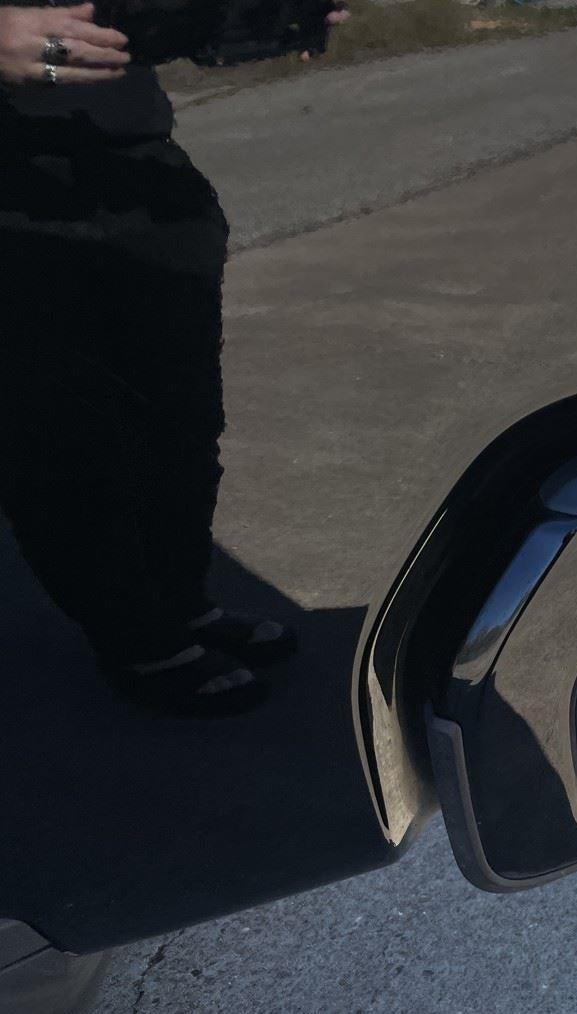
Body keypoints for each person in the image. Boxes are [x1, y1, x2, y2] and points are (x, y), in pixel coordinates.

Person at [0, 0, 344, 717]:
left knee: (181, 421)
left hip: (134, 161)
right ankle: (135, 637)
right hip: (17, 187)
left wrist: (251, 17)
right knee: (65, 436)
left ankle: (178, 602)